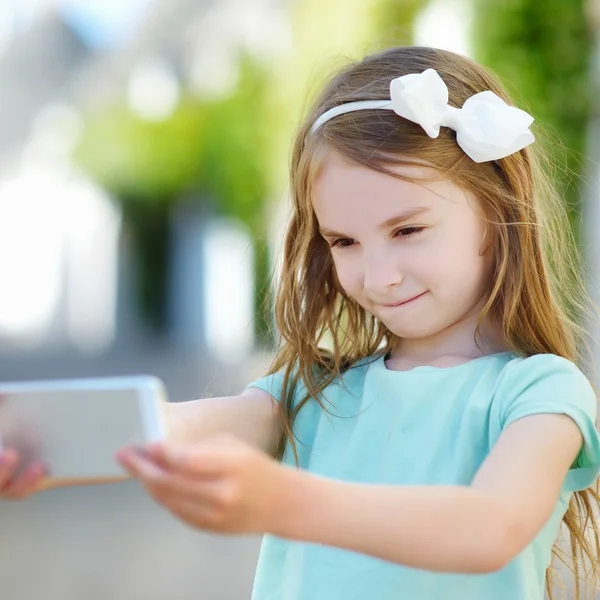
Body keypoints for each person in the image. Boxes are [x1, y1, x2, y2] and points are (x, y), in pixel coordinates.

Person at [2, 45, 600, 600]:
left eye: (407, 230)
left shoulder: (540, 391)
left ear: (495, 216)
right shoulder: (314, 394)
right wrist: (34, 443)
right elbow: (166, 428)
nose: (379, 275)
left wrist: (285, 501)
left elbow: (488, 529)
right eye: (344, 241)